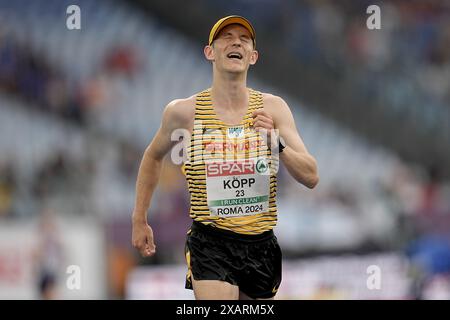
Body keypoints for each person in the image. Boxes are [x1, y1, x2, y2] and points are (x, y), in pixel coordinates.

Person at [132, 15, 319, 300]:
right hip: (211, 241)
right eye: (227, 38)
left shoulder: (274, 109)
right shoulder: (183, 112)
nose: (236, 42)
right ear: (210, 52)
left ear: (253, 56)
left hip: (261, 243)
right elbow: (152, 156)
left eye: (244, 39)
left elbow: (311, 176)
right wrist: (139, 219)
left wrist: (276, 143)